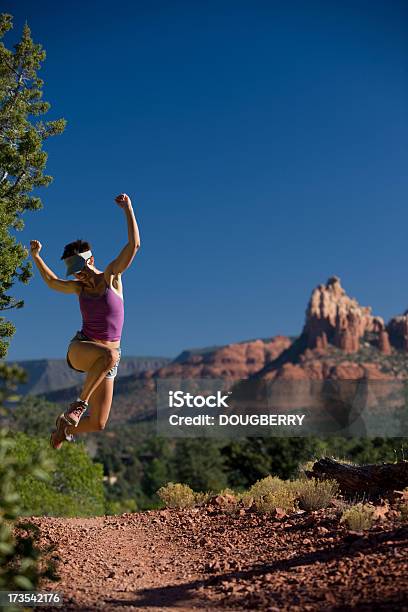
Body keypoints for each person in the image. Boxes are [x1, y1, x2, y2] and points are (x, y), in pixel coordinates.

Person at [30, 193, 140, 449]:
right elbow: (52, 282)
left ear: (91, 260)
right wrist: (36, 256)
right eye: (75, 273)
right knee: (111, 357)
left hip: (108, 357)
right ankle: (78, 405)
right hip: (82, 348)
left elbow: (133, 246)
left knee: (99, 423)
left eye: (81, 269)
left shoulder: (112, 277)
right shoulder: (79, 288)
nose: (79, 276)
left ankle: (64, 428)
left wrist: (128, 209)